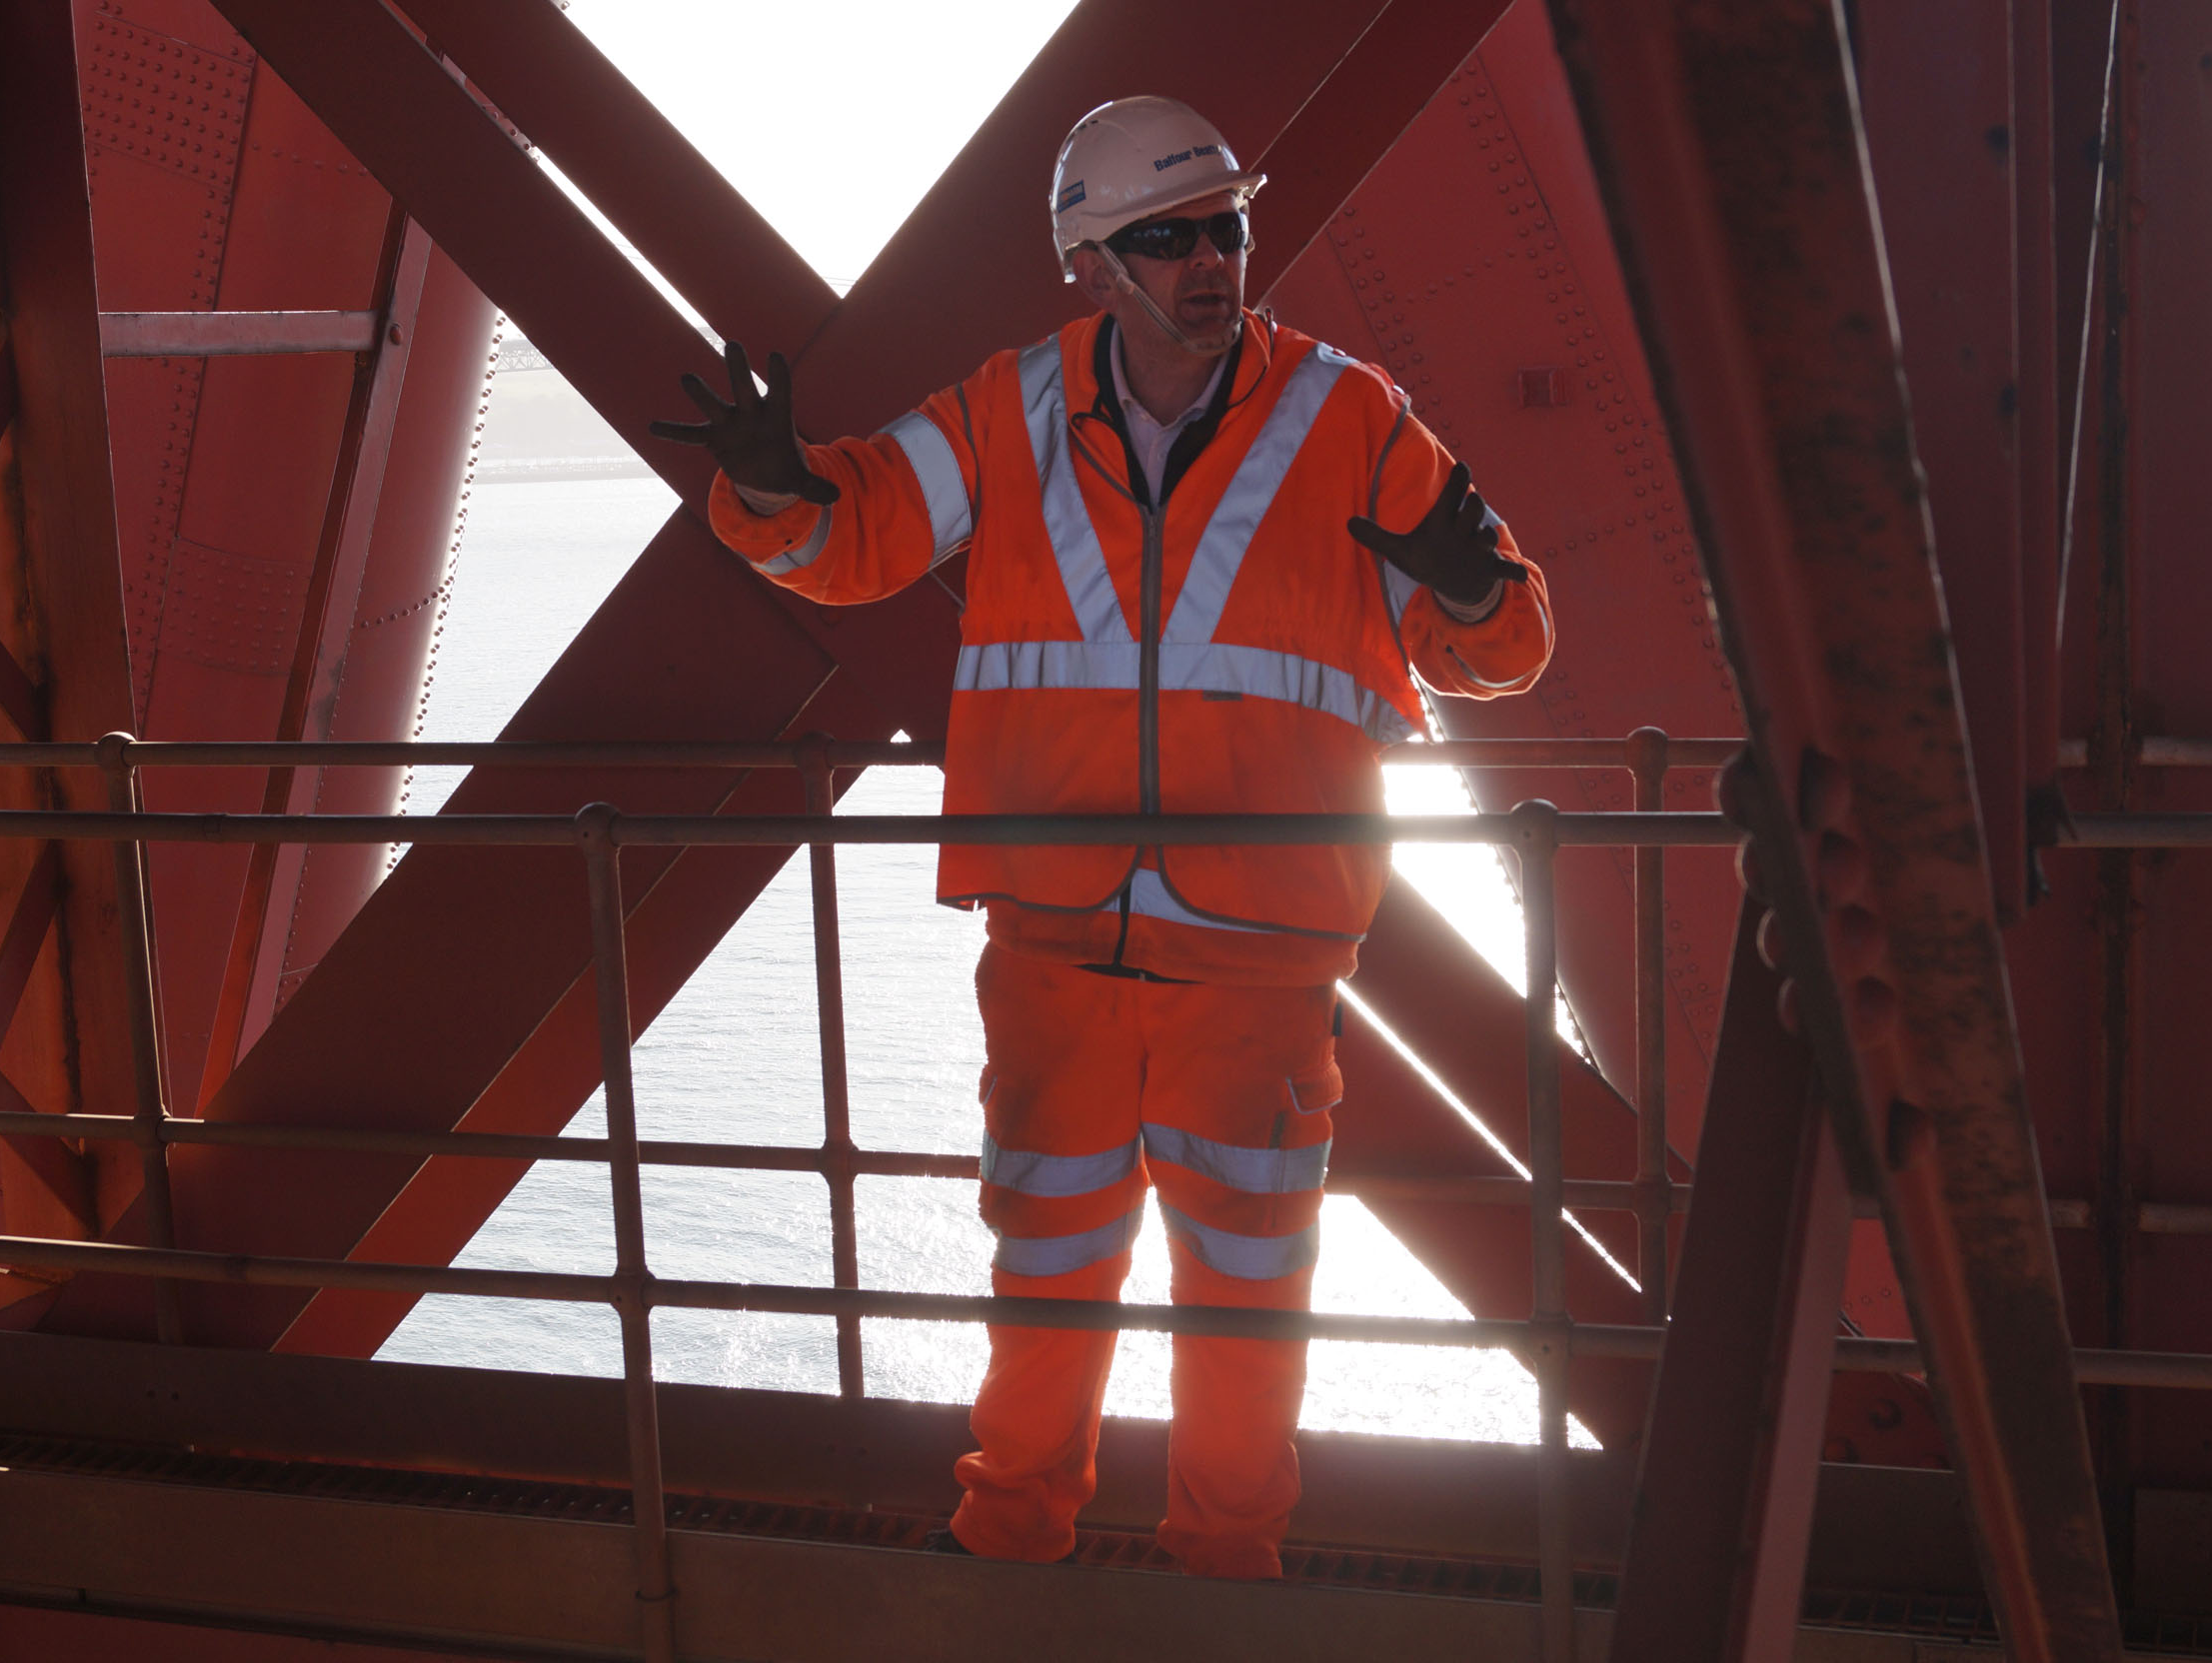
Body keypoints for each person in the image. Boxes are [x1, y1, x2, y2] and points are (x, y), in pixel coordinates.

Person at [652, 96, 1552, 1580]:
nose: (1212, 262)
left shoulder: (1349, 420)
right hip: (1058, 951)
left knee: (1248, 1307)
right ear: (1092, 265)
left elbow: (1503, 645)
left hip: (1256, 967)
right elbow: (853, 532)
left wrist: (1468, 590)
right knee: (1046, 1274)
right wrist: (768, 482)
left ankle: (1226, 1580)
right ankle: (1009, 1550)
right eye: (1171, 237)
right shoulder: (1009, 410)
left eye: (1227, 229)